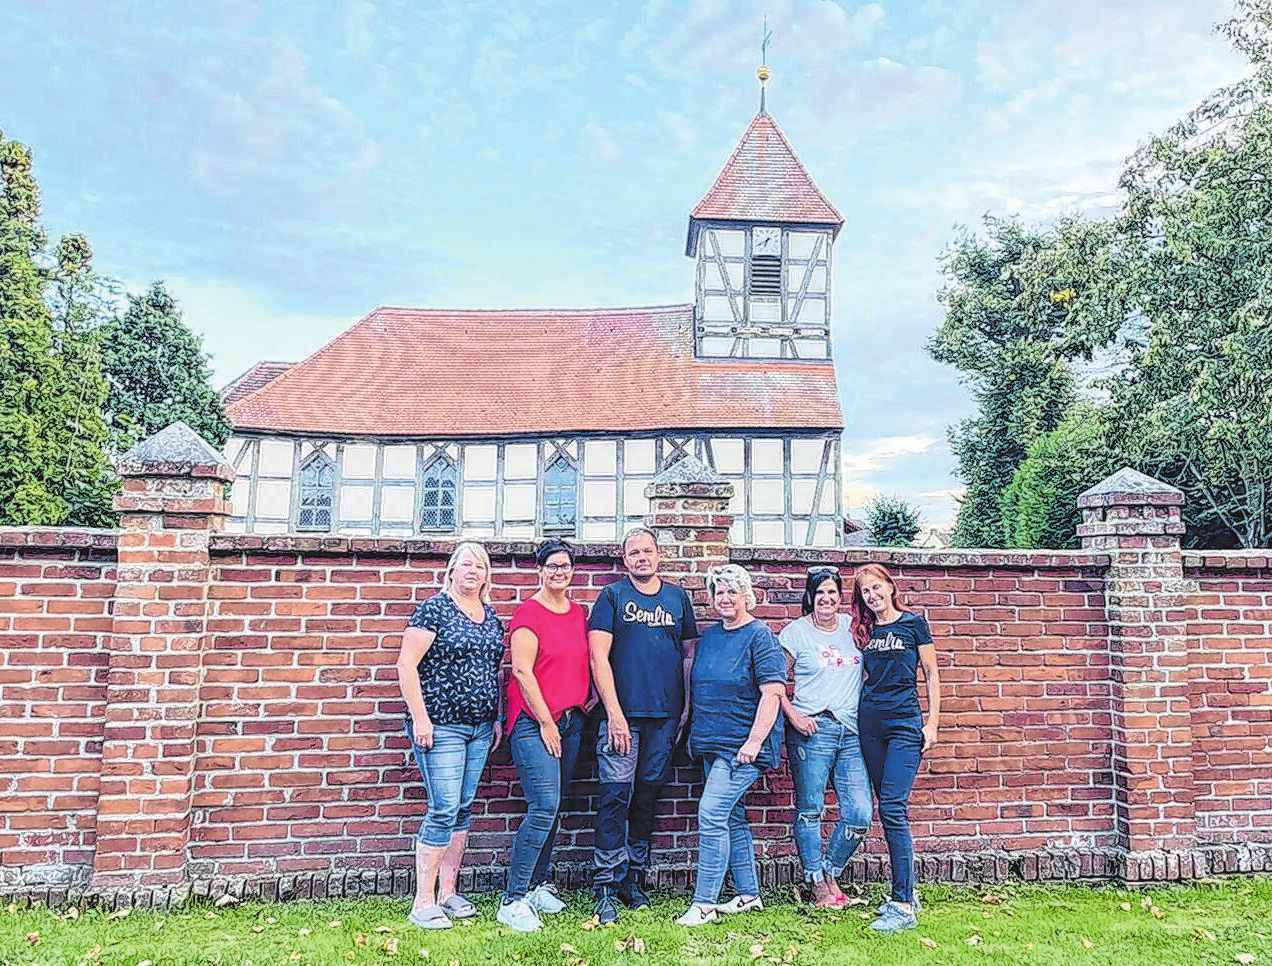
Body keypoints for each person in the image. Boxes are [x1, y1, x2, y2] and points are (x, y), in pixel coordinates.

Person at [588, 527, 698, 924]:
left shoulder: (677, 598)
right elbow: (598, 658)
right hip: (622, 718)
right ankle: (605, 884)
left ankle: (633, 878)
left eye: (646, 551)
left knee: (647, 796)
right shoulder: (613, 597)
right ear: (624, 559)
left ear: (658, 555)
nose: (641, 558)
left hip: (665, 718)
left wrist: (684, 706)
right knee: (615, 797)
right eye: (633, 552)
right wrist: (614, 713)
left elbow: (688, 655)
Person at [396, 542, 504, 930]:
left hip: (478, 728)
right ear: (452, 571)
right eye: (466, 565)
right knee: (443, 808)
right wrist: (420, 719)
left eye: (480, 566)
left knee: (462, 807)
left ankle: (448, 893)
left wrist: (495, 718)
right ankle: (422, 901)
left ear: (486, 574)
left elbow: (494, 672)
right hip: (441, 725)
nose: (472, 571)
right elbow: (407, 665)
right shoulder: (434, 609)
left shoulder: (490, 616)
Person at [677, 564, 786, 928]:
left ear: (746, 595)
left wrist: (755, 742)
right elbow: (698, 684)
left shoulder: (761, 637)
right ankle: (748, 894)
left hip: (741, 747)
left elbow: (772, 693)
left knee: (710, 814)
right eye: (718, 593)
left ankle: (704, 904)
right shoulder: (710, 637)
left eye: (731, 592)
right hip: (712, 742)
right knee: (732, 817)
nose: (724, 599)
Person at [497, 540, 591, 933]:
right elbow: (521, 671)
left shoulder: (577, 613)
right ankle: (512, 899)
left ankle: (536, 885)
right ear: (539, 570)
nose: (559, 572)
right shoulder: (528, 613)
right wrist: (546, 722)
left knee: (554, 808)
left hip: (571, 721)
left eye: (565, 566)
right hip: (535, 723)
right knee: (543, 804)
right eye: (552, 566)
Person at [850, 563, 941, 933]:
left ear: (890, 586)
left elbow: (932, 674)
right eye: (864, 592)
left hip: (905, 727)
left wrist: (931, 723)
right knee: (886, 809)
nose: (872, 596)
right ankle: (908, 891)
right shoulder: (863, 631)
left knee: (892, 806)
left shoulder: (914, 624)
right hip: (870, 726)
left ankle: (902, 905)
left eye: (876, 587)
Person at [779, 567, 871, 908]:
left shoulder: (854, 628)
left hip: (851, 731)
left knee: (859, 813)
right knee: (810, 810)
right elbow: (773, 681)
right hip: (812, 730)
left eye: (832, 592)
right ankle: (815, 881)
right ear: (810, 597)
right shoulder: (795, 633)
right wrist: (795, 717)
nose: (827, 599)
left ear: (840, 596)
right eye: (820, 593)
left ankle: (830, 869)